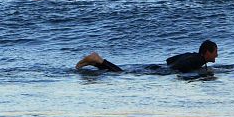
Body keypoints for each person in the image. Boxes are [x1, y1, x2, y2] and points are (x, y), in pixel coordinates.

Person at [75, 39, 219, 74]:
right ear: (207, 53)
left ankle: (97, 63)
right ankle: (98, 60)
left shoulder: (191, 55)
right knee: (120, 74)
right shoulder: (199, 60)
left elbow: (170, 60)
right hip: (162, 71)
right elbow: (181, 69)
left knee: (121, 72)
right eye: (215, 52)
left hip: (160, 67)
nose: (217, 55)